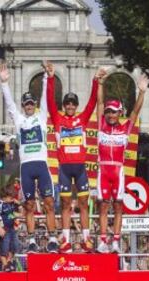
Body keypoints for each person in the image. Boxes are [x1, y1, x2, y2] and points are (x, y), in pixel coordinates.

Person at [0, 63, 58, 253]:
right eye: (26, 104)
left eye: (32, 103)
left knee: (49, 202)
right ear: (23, 106)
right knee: (29, 205)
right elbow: (9, 105)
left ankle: (52, 239)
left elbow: (46, 99)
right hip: (26, 166)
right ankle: (32, 240)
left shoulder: (41, 116)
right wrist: (4, 83)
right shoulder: (19, 119)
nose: (30, 106)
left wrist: (46, 78)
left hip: (41, 165)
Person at [46, 62, 103, 253]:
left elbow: (93, 102)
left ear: (76, 106)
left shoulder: (83, 118)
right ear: (64, 106)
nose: (70, 106)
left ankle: (87, 240)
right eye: (67, 103)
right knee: (64, 204)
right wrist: (51, 78)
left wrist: (95, 80)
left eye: (73, 103)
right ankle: (66, 241)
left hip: (80, 168)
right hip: (64, 168)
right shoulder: (57, 118)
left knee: (83, 204)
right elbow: (49, 102)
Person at [96, 69, 149, 253]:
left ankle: (116, 241)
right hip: (103, 171)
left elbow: (135, 111)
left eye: (114, 112)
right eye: (108, 112)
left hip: (118, 172)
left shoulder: (126, 127)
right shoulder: (101, 124)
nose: (111, 115)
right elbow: (99, 102)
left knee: (118, 205)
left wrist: (142, 92)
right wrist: (101, 83)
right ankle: (103, 240)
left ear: (119, 113)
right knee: (103, 206)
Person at [0, 185, 22, 272]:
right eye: (11, 197)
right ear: (5, 196)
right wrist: (0, 229)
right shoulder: (0, 204)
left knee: (15, 247)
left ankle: (9, 263)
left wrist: (19, 204)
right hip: (4, 229)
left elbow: (20, 213)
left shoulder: (12, 203)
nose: (13, 198)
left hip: (12, 229)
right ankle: (5, 265)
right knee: (4, 248)